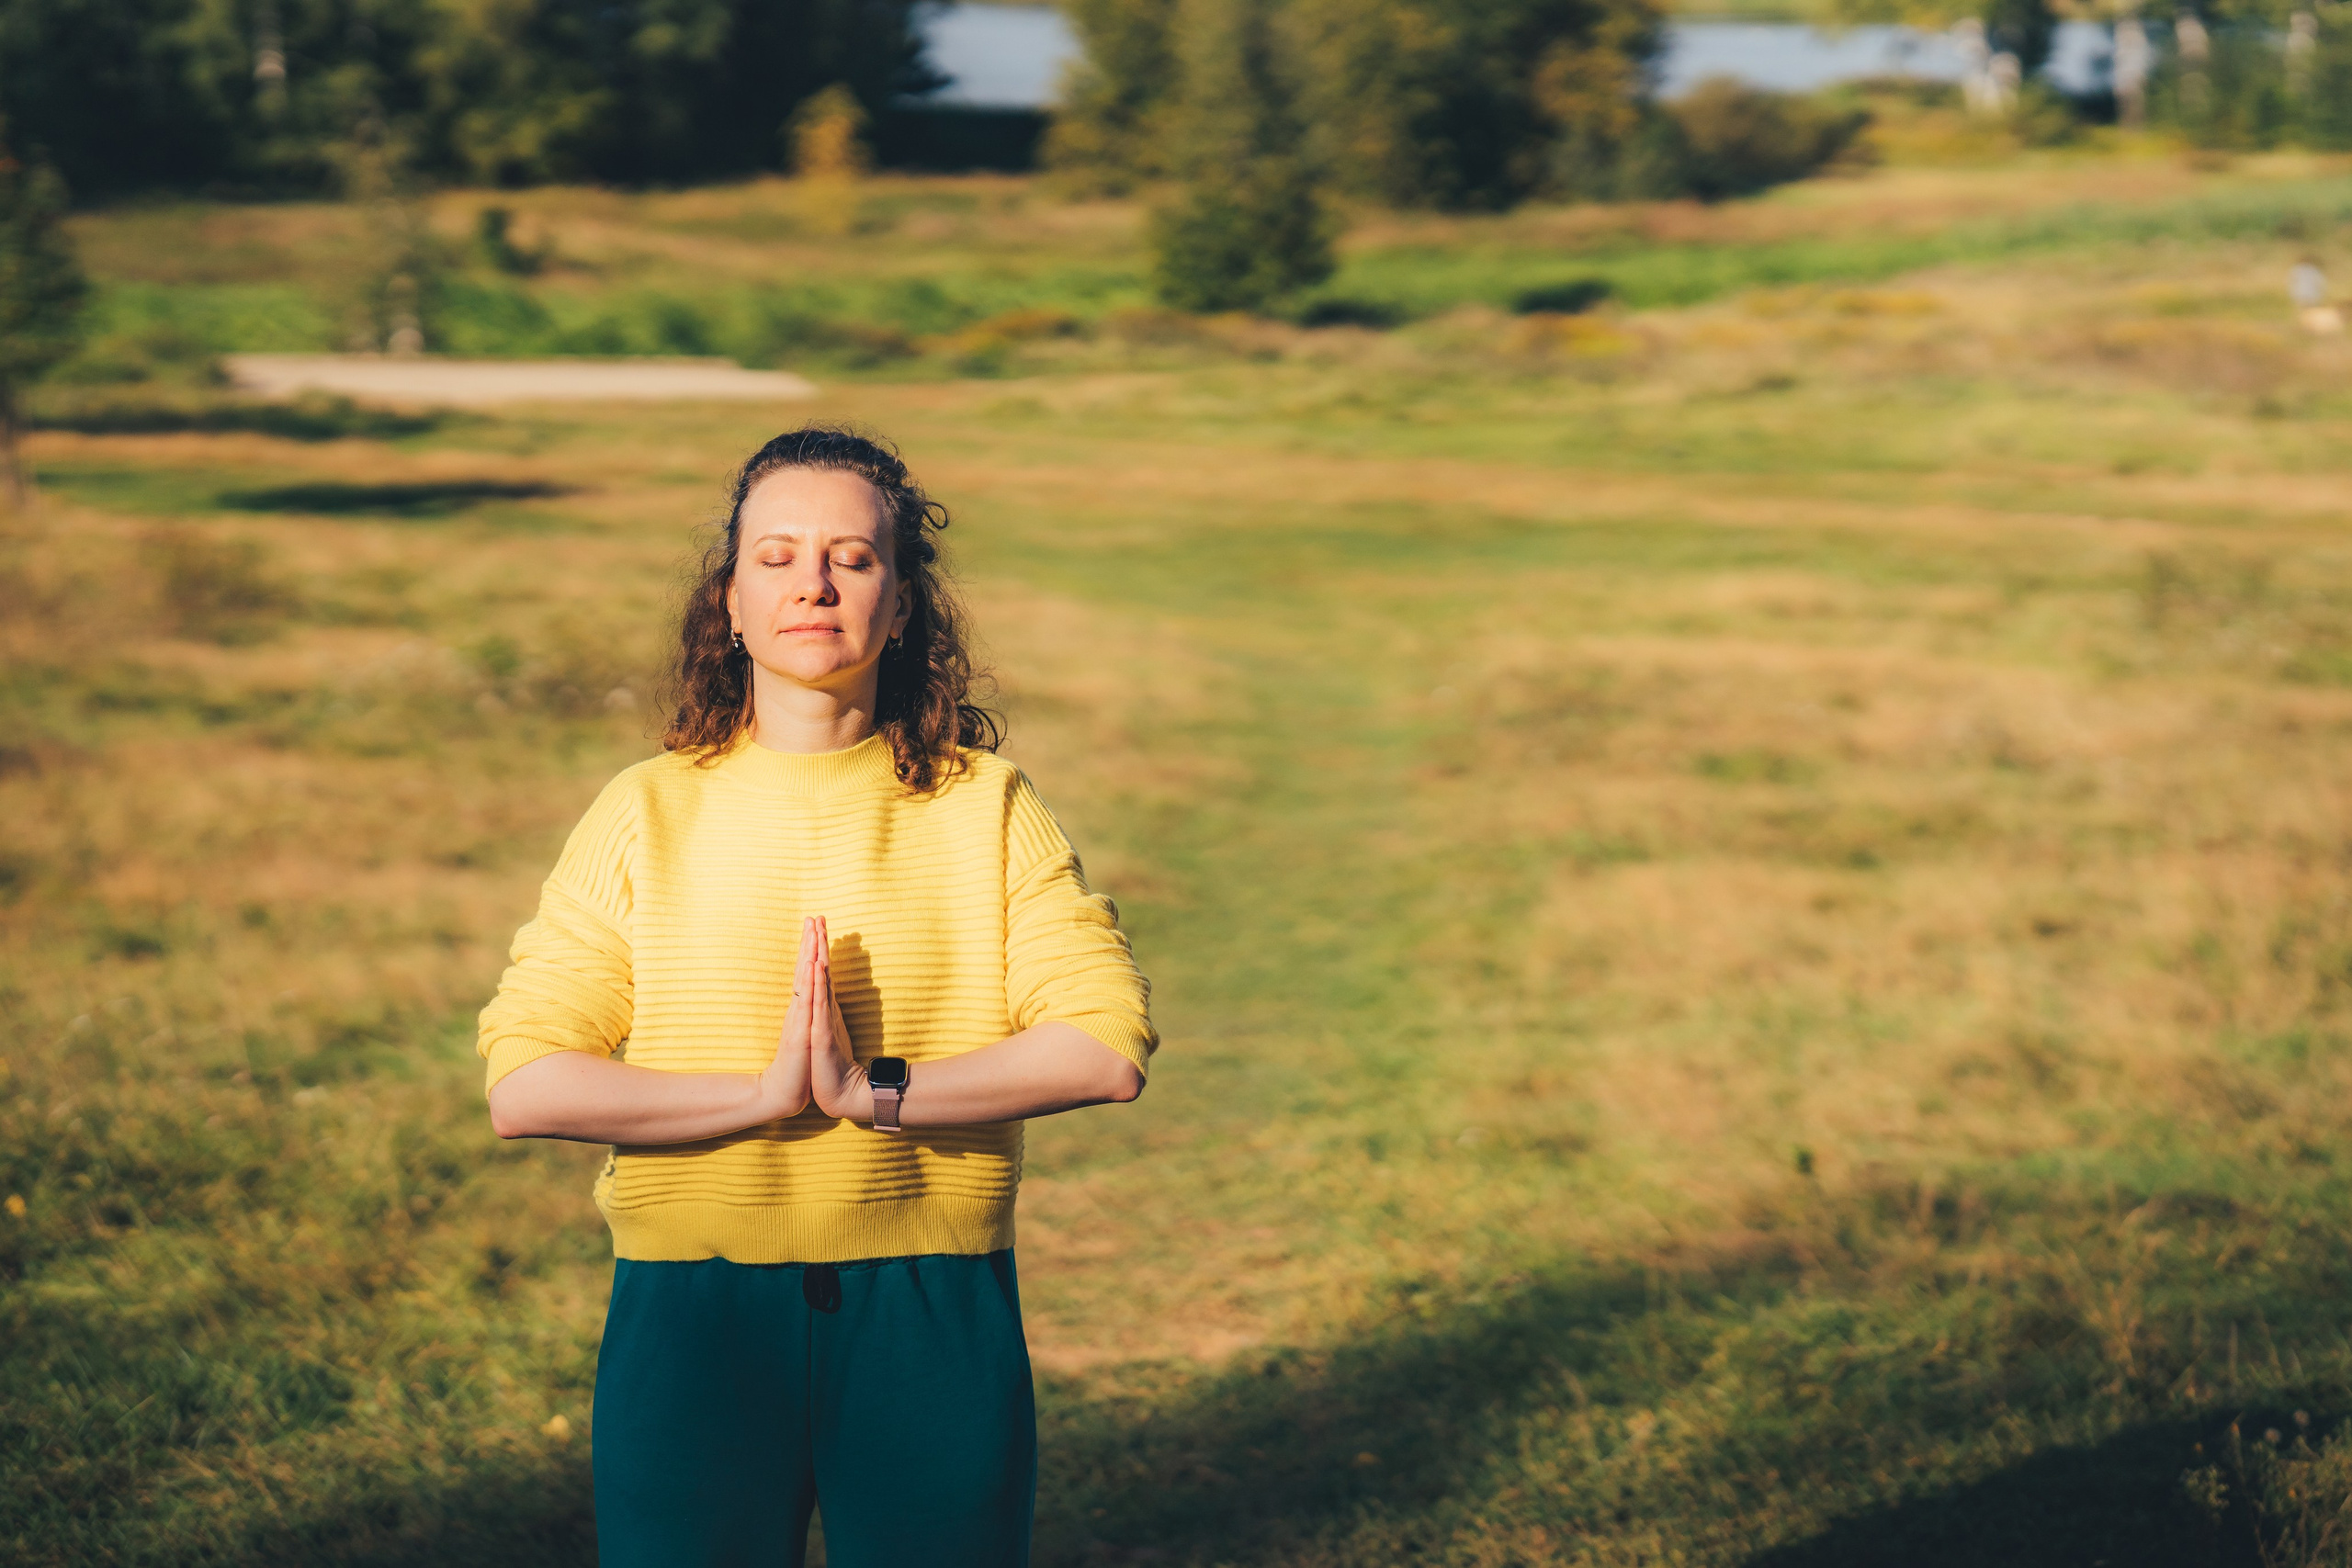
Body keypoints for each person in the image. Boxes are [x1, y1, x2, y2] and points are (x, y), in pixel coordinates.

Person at [477, 425, 1155, 1568]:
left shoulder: (985, 805)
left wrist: (870, 1093)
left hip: (930, 1309)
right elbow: (524, 1081)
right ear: (729, 602)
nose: (814, 583)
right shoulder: (643, 811)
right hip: (689, 1313)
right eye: (777, 555)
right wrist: (761, 1096)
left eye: (853, 556)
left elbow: (1103, 1047)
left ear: (902, 605)